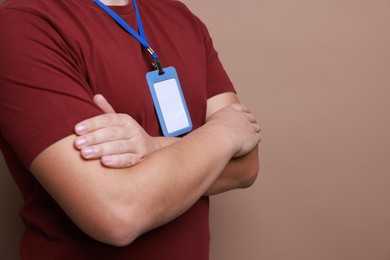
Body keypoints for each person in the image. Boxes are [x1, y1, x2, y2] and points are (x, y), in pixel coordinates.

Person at [0, 0, 261, 259]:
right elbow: (118, 213)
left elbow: (246, 167)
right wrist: (224, 132)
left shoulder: (180, 16)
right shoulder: (22, 23)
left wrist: (153, 146)